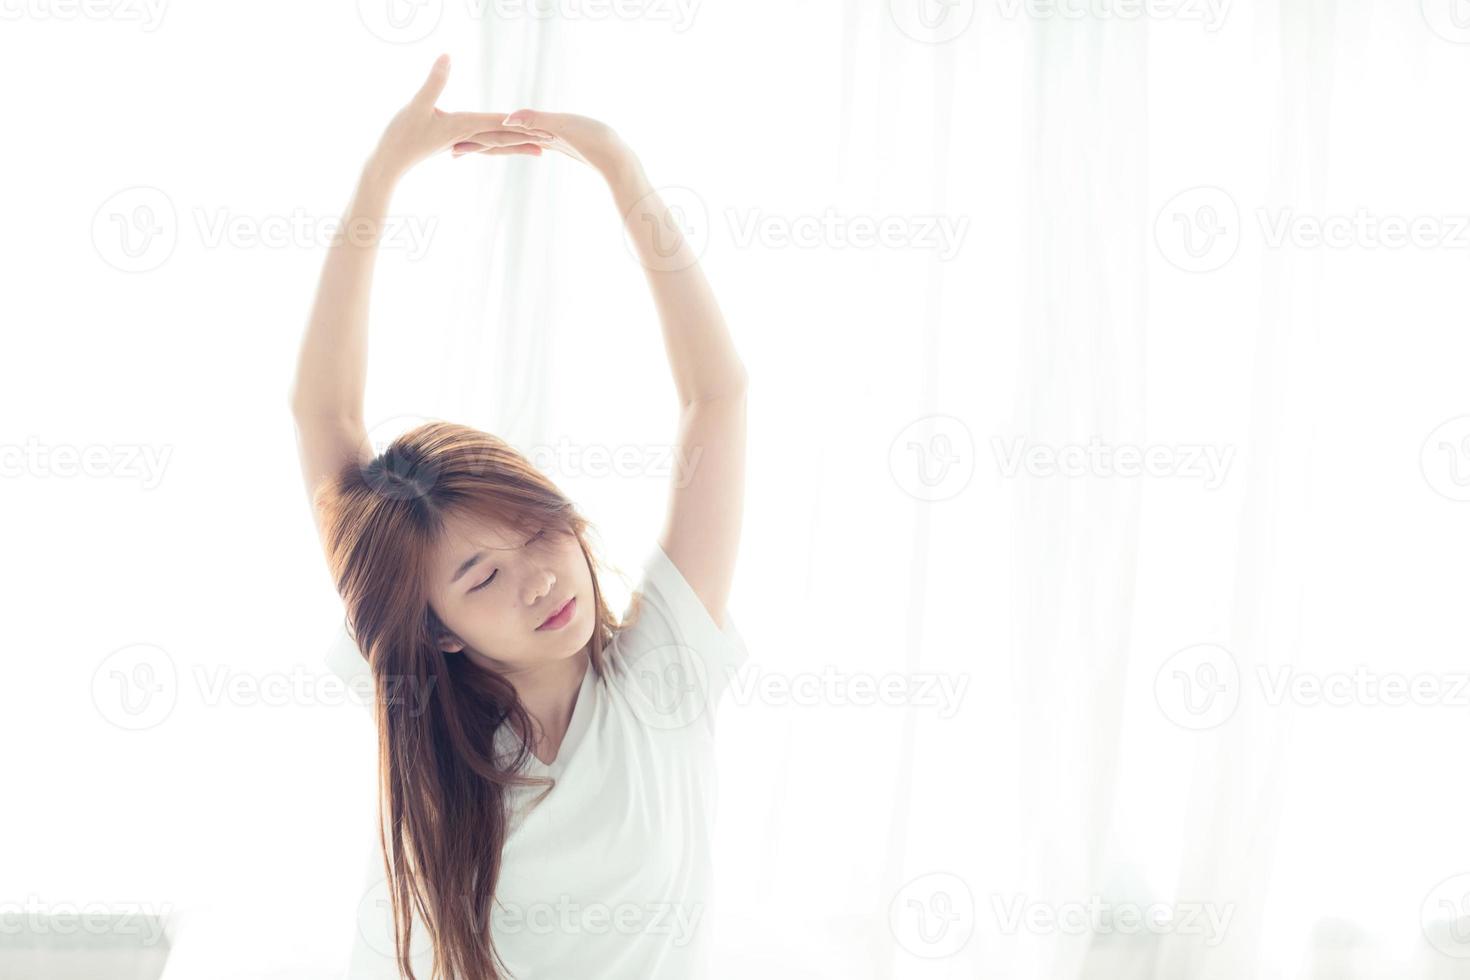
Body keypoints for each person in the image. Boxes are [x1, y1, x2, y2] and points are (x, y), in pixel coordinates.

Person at [288, 54, 750, 980]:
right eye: (481, 576)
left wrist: (623, 172)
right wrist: (382, 171)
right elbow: (324, 417)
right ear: (440, 630)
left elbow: (718, 396)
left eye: (540, 532)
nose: (539, 576)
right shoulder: (411, 704)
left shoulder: (660, 672)